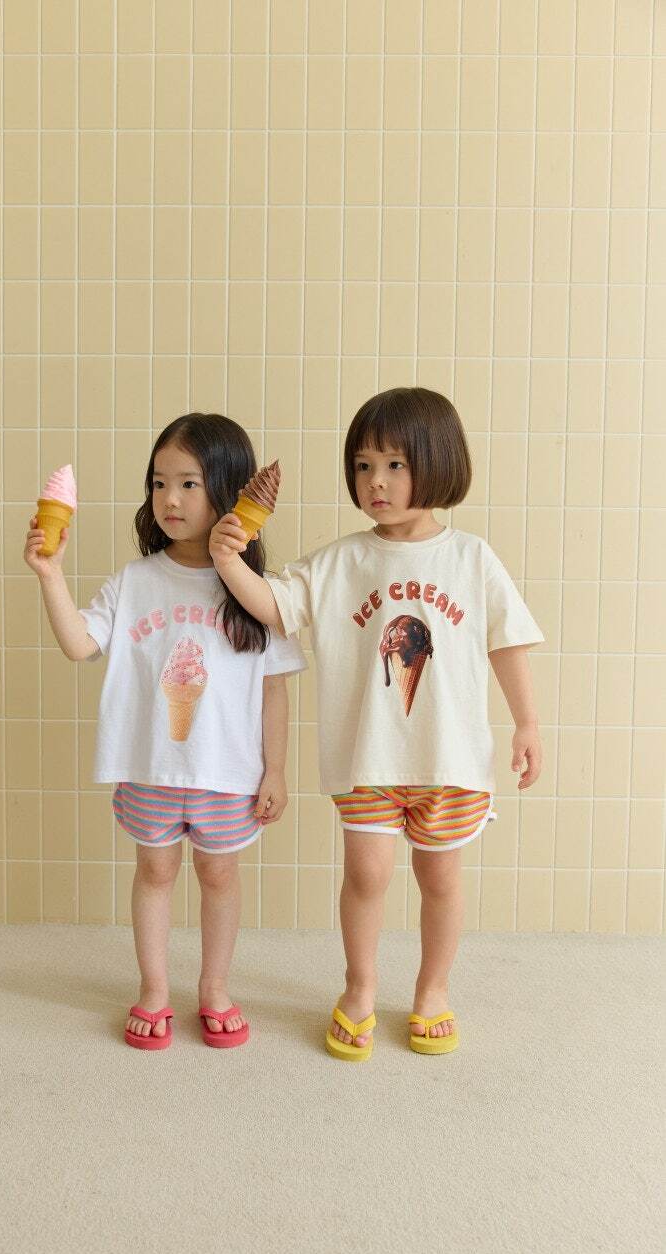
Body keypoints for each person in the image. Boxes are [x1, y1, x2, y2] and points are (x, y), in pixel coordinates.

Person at [209, 387, 543, 1060]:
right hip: (368, 759)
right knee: (366, 875)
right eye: (363, 466)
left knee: (440, 879)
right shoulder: (341, 561)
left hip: (450, 759)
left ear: (438, 464)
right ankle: (359, 987)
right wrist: (227, 559)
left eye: (394, 465)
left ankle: (432, 990)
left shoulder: (471, 558)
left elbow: (507, 642)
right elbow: (274, 606)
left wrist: (527, 724)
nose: (376, 482)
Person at [24, 413, 306, 1050]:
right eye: (159, 482)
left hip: (227, 772)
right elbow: (79, 644)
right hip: (150, 766)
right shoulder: (136, 581)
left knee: (220, 877)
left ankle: (214, 987)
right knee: (154, 872)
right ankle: (154, 988)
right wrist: (50, 575)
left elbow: (274, 688)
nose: (170, 499)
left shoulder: (257, 594)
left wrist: (276, 770)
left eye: (188, 483)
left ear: (229, 489)